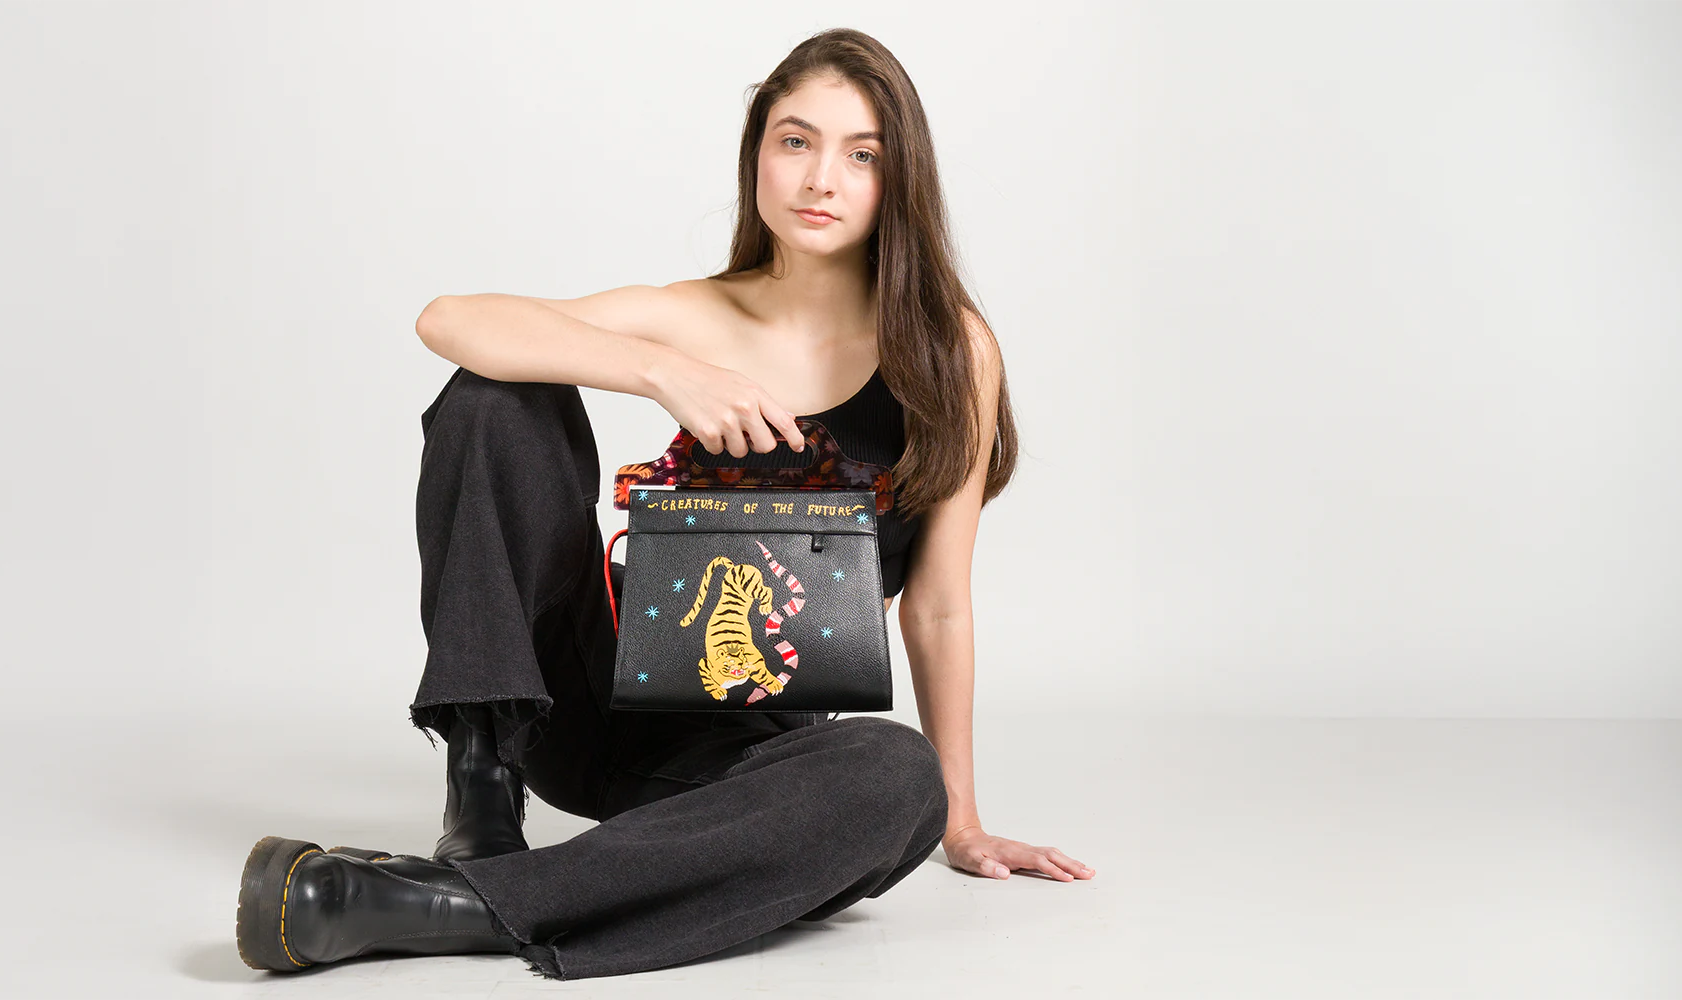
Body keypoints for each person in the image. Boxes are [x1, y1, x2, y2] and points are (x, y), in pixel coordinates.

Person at [234, 27, 1093, 982]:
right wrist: (662, 371)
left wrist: (962, 822)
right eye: (796, 141)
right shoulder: (691, 313)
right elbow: (450, 319)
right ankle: (481, 796)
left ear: (901, 179)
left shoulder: (952, 352)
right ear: (757, 154)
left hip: (744, 769)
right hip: (576, 705)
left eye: (862, 155)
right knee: (496, 392)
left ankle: (433, 906)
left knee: (896, 778)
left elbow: (936, 605)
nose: (822, 179)